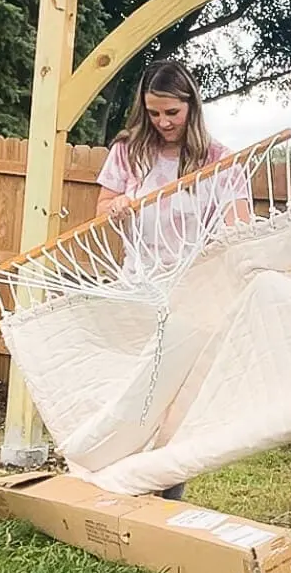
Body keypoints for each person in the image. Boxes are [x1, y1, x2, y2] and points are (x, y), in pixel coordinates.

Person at [95, 59, 243, 502]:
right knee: (135, 391)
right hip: (139, 284)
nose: (163, 122)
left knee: (177, 398)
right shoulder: (128, 150)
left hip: (191, 291)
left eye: (172, 114)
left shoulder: (215, 159)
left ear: (191, 107)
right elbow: (102, 207)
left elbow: (237, 220)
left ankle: (168, 495)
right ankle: (122, 490)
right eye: (154, 113)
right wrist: (119, 203)